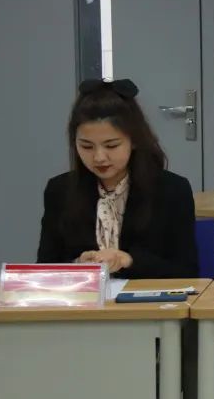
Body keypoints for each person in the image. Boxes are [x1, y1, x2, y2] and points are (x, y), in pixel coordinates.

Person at [38, 78, 197, 278]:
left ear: (134, 140)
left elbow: (187, 272)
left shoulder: (171, 189)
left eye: (111, 145)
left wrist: (129, 261)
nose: (99, 157)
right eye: (86, 146)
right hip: (85, 297)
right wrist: (77, 265)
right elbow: (44, 269)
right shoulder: (60, 190)